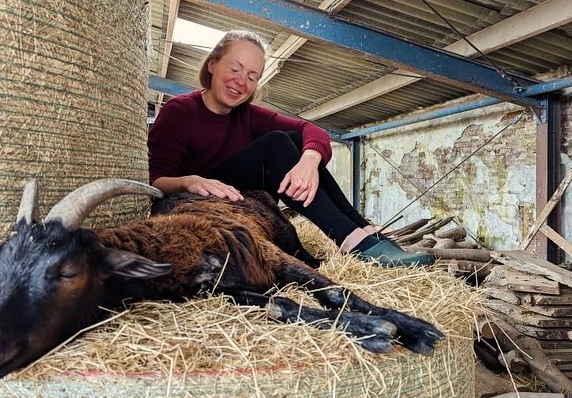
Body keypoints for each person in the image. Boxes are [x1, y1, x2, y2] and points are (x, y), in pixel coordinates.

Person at [148, 30, 434, 268]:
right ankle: (353, 240)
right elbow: (154, 179)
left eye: (252, 75)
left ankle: (365, 232)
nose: (241, 81)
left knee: (297, 140)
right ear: (212, 65)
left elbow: (314, 131)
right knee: (277, 143)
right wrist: (191, 181)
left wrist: (309, 160)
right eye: (234, 68)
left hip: (237, 194)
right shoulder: (180, 111)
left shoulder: (247, 114)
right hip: (194, 200)